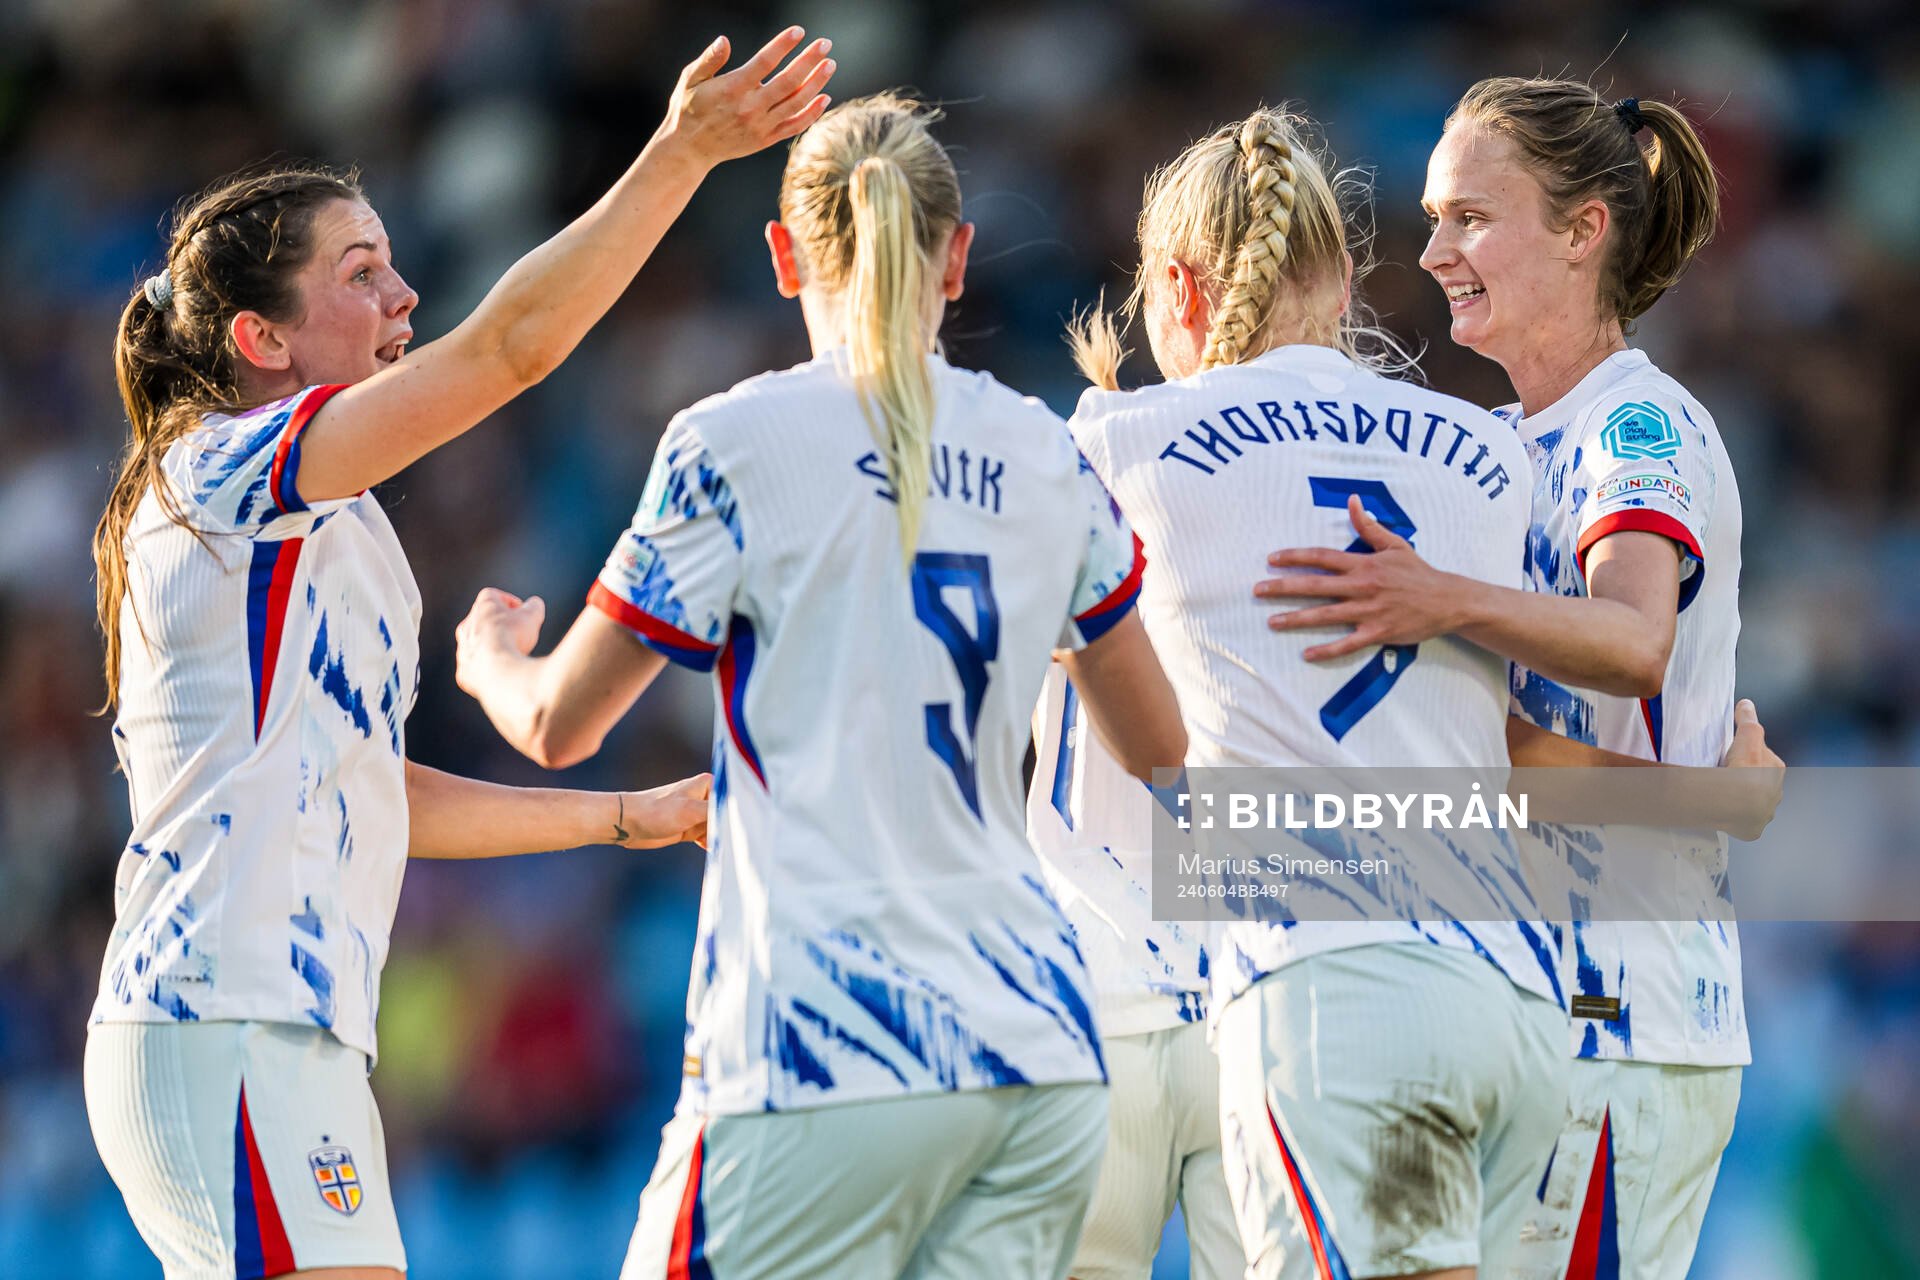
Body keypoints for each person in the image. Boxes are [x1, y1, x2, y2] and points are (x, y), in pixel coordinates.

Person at [84, 29, 835, 1280]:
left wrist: (629, 817)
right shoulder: (219, 470)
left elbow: (376, 791)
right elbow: (510, 351)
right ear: (262, 340)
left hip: (291, 1032)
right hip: (216, 1018)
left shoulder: (346, 529)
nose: (404, 299)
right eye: (362, 272)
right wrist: (680, 152)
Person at [452, 94, 1189, 1279]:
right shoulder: (1045, 452)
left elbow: (558, 724)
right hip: (1037, 1052)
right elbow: (1161, 756)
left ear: (786, 254)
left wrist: (489, 657)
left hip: (819, 1043)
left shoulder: (733, 443)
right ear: (956, 259)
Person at [1052, 107, 1570, 1280]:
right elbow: (1530, 740)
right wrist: (1711, 803)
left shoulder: (1116, 438)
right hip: (1498, 990)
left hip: (1265, 991)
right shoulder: (1495, 454)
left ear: (1174, 289)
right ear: (1344, 281)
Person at [1255, 78, 1752, 1278]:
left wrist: (1442, 598)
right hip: (1539, 1003)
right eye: (1433, 219)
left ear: (1584, 230)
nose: (1432, 253)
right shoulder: (1508, 446)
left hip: (1622, 1009)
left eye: (1470, 217)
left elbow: (1636, 641)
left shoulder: (1638, 427)